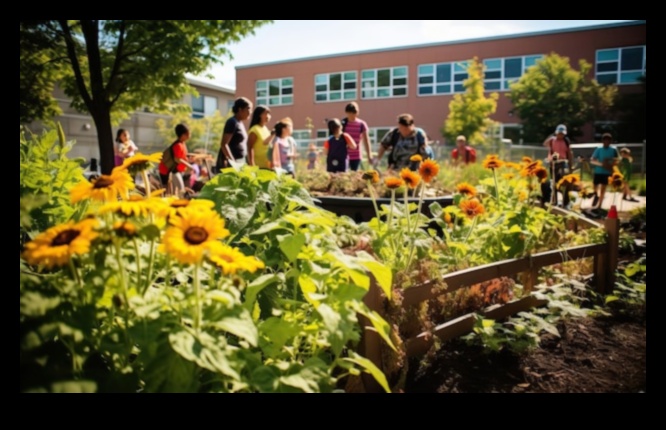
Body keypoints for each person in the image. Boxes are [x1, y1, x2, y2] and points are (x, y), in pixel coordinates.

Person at [541, 124, 575, 207]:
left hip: (563, 163)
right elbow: (544, 144)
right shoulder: (552, 140)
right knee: (553, 183)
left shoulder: (566, 141)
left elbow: (569, 153)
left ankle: (565, 201)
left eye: (562, 133)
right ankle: (554, 200)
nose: (561, 135)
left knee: (564, 182)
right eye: (559, 133)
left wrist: (571, 166)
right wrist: (552, 135)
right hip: (553, 163)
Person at [158, 123, 195, 197]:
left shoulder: (182, 144)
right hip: (170, 171)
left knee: (177, 191)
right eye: (188, 133)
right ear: (183, 134)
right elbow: (177, 159)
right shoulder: (178, 145)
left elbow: (182, 157)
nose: (190, 134)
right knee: (179, 191)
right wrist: (189, 166)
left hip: (174, 171)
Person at [216, 97, 252, 171]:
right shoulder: (232, 122)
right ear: (240, 109)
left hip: (240, 161)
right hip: (233, 163)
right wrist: (233, 163)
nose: (250, 112)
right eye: (248, 108)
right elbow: (224, 144)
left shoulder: (240, 123)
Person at [589, 132, 620, 211]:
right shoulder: (599, 149)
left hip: (607, 172)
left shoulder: (613, 149)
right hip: (598, 171)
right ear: (602, 141)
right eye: (605, 140)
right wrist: (601, 164)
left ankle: (599, 205)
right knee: (595, 186)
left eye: (608, 141)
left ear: (610, 141)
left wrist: (611, 164)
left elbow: (617, 160)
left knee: (603, 188)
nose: (606, 142)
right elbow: (593, 159)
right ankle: (596, 195)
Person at [341, 102, 372, 171]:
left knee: (354, 175)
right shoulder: (342, 123)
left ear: (357, 113)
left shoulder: (361, 124)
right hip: (344, 155)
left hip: (356, 156)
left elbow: (366, 140)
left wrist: (369, 155)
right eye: (350, 113)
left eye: (354, 113)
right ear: (346, 112)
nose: (352, 115)